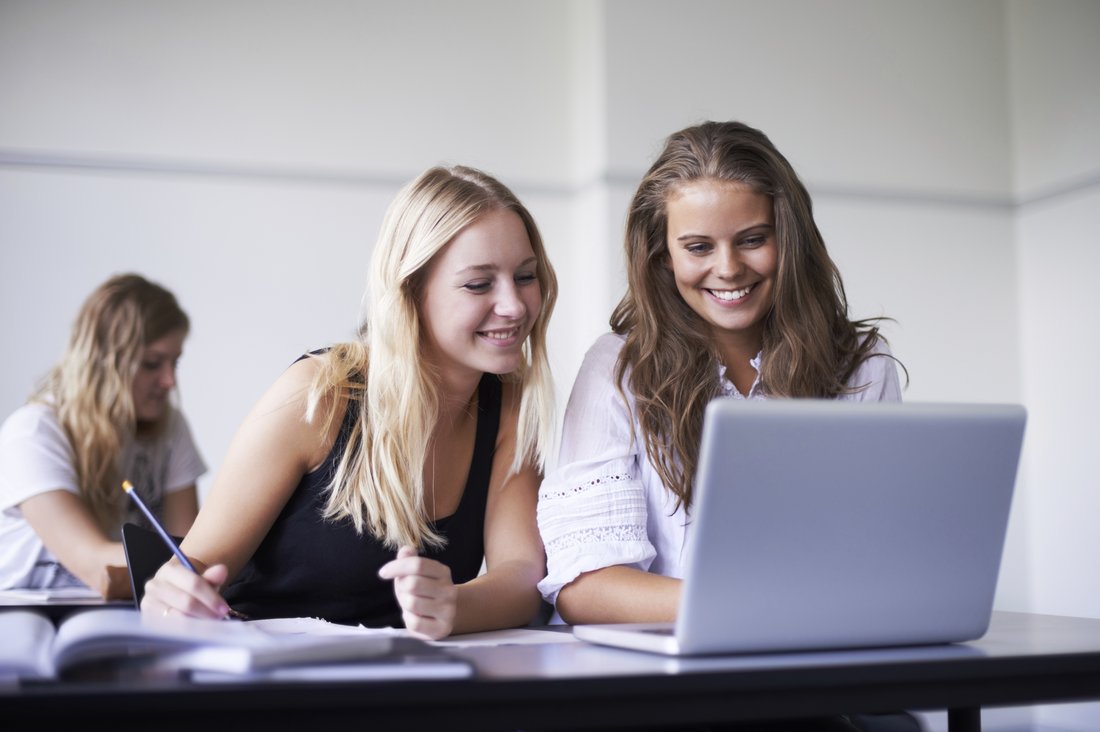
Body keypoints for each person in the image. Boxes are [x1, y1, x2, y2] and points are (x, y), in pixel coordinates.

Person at [536, 121, 915, 731]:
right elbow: (586, 587)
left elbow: (880, 559)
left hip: (802, 684)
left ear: (789, 238)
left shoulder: (861, 365)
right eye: (699, 247)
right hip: (651, 695)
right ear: (662, 255)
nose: (729, 269)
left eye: (752, 239)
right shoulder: (618, 366)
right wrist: (756, 611)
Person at [140, 165, 558, 640]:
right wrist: (169, 597)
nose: (515, 305)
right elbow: (191, 573)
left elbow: (522, 575)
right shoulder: (318, 394)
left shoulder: (508, 401)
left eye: (525, 276)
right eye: (479, 284)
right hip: (272, 687)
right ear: (411, 290)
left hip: (398, 691)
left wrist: (453, 605)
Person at [0, 273, 205, 599]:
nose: (169, 380)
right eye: (152, 364)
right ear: (102, 363)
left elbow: (189, 548)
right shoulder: (33, 433)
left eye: (174, 363)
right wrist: (195, 559)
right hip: (28, 610)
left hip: (122, 605)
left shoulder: (170, 428)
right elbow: (98, 566)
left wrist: (197, 559)